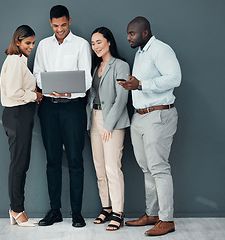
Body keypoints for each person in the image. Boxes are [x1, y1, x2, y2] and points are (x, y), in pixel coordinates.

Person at [118, 17, 181, 236]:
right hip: (140, 117)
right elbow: (140, 83)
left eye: (132, 33)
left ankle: (167, 219)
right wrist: (132, 85)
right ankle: (152, 214)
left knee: (159, 168)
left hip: (159, 114)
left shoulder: (161, 50)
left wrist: (142, 84)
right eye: (128, 33)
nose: (128, 37)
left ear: (145, 33)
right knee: (146, 168)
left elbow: (175, 78)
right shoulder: (140, 53)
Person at [33, 5, 92, 228]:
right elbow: (37, 73)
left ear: (69, 21)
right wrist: (49, 86)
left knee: (76, 160)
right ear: (51, 23)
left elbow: (86, 78)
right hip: (49, 107)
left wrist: (70, 91)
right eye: (56, 26)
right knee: (52, 160)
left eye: (63, 25)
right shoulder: (43, 45)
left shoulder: (81, 45)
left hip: (73, 107)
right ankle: (55, 210)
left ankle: (76, 212)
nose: (60, 29)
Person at [87, 27, 130, 231]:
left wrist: (109, 124)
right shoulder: (96, 67)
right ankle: (106, 207)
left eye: (99, 42)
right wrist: (90, 122)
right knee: (99, 168)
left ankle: (118, 213)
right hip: (94, 119)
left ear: (109, 42)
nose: (95, 46)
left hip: (112, 120)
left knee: (113, 167)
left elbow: (122, 98)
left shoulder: (120, 65)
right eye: (93, 43)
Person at [0, 25, 43, 227]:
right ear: (17, 41)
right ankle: (17, 210)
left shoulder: (18, 61)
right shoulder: (15, 61)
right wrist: (35, 95)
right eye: (28, 43)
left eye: (33, 43)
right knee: (18, 165)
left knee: (21, 164)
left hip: (20, 116)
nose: (31, 46)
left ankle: (16, 209)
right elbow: (14, 92)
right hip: (17, 115)